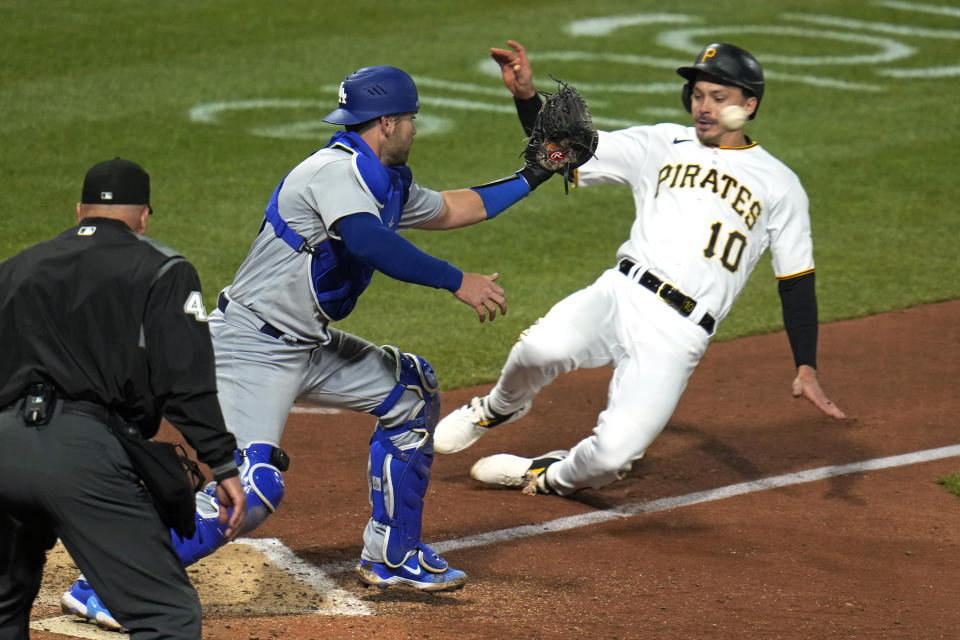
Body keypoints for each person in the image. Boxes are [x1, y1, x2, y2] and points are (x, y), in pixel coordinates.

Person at [62, 63, 559, 615]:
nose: (416, 129)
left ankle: (392, 555)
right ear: (388, 122)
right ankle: (104, 585)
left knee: (411, 390)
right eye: (412, 120)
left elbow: (454, 208)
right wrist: (456, 280)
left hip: (306, 344)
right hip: (250, 346)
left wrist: (537, 172)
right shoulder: (332, 171)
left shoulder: (385, 179)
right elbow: (369, 241)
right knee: (252, 492)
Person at [434, 41, 847, 497]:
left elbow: (796, 280)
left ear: (749, 105)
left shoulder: (780, 183)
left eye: (718, 97)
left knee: (611, 460)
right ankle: (497, 407)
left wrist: (805, 364)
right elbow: (564, 150)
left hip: (680, 332)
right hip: (621, 293)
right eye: (698, 94)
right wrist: (527, 97)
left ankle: (547, 476)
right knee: (539, 352)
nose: (703, 107)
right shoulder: (661, 142)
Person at [0, 158, 246, 639]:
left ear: (79, 211)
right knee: (166, 616)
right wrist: (222, 463)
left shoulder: (15, 269)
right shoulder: (162, 269)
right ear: (143, 217)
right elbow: (185, 380)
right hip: (79, 455)